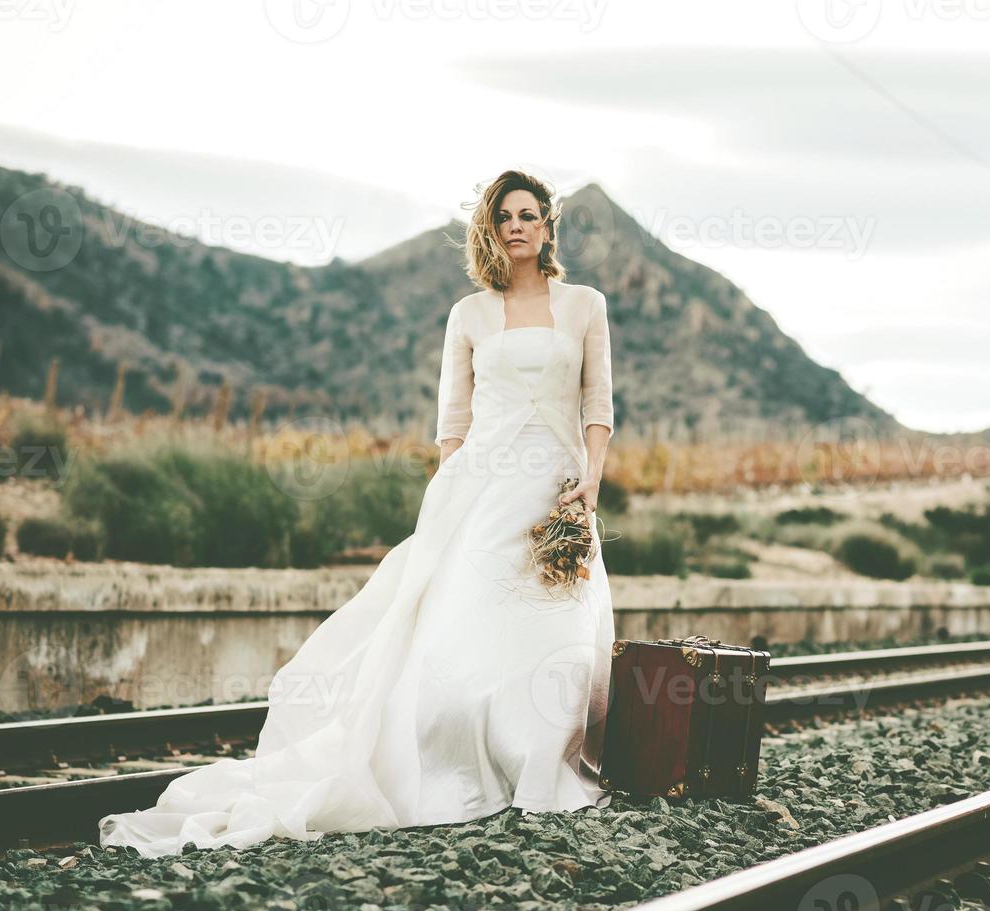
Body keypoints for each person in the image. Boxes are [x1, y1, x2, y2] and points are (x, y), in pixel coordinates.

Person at [98, 170, 617, 857]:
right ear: (489, 230)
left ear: (548, 226)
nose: (516, 226)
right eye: (503, 217)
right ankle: (462, 761)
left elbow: (598, 406)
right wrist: (451, 496)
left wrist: (591, 484)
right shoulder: (468, 314)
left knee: (556, 633)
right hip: (483, 488)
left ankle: (542, 770)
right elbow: (452, 422)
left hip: (557, 489)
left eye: (528, 214)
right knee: (468, 628)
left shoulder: (584, 305)